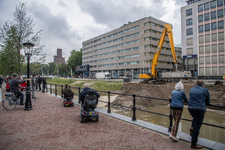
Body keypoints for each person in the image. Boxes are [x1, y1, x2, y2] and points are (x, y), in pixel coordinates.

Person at [188, 80, 210, 149]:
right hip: (199, 109)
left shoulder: (192, 89)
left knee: (195, 118)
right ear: (203, 84)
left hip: (191, 108)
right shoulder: (205, 90)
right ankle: (193, 144)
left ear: (195, 84)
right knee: (197, 127)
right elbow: (208, 101)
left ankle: (192, 127)